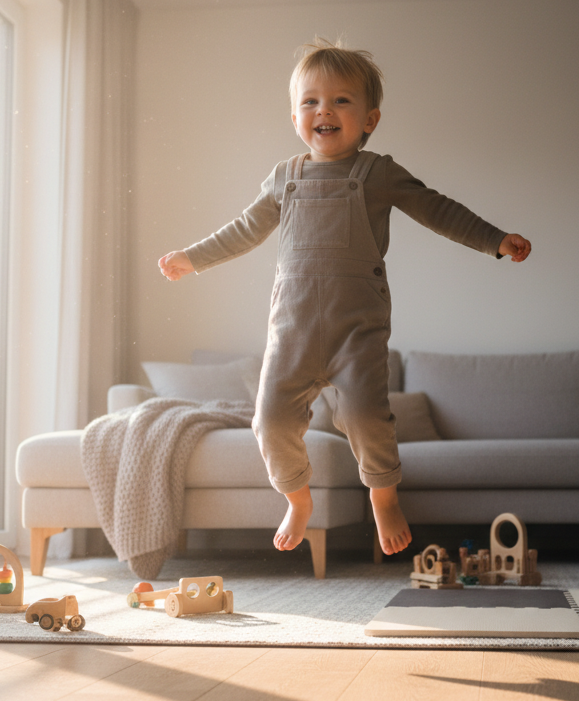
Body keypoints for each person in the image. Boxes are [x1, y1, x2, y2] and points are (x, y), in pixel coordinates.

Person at [159, 40, 531, 557]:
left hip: (356, 332)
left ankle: (383, 496)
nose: (324, 111)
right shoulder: (283, 180)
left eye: (341, 101)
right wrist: (193, 257)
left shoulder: (377, 173)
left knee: (364, 417)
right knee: (269, 420)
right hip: (290, 334)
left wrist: (493, 239)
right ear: (295, 116)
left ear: (370, 119)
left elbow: (437, 209)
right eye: (310, 101)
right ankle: (297, 497)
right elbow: (243, 230)